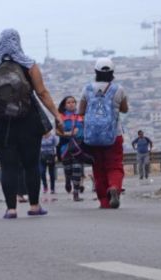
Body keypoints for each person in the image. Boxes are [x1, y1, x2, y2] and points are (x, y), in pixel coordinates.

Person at [0, 29, 63, 219]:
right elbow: (42, 92)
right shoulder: (29, 65)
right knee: (31, 165)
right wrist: (56, 114)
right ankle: (34, 205)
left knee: (8, 166)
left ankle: (11, 209)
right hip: (28, 121)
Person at [79, 57, 128, 209]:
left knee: (98, 168)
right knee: (115, 166)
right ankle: (114, 187)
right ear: (112, 72)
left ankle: (104, 201)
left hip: (93, 136)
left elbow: (81, 111)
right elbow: (125, 109)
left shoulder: (87, 89)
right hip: (114, 134)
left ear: (96, 72)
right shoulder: (118, 89)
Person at [57, 96, 86, 201]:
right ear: (64, 105)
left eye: (73, 102)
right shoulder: (60, 116)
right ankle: (67, 180)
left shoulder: (81, 116)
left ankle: (76, 193)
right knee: (68, 170)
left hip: (78, 147)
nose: (71, 104)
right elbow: (57, 132)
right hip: (65, 147)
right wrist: (69, 133)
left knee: (77, 169)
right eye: (69, 102)